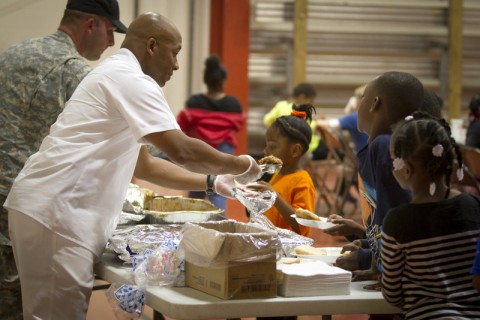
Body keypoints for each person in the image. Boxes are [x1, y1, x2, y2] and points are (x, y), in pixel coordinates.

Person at [4, 12, 261, 319]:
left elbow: (145, 165)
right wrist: (241, 165)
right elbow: (181, 150)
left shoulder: (115, 72)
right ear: (152, 46)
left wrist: (211, 182)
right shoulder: (131, 79)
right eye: (175, 53)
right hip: (58, 213)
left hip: (49, 209)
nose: (177, 65)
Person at [0, 0, 127, 318]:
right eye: (111, 32)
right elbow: (138, 146)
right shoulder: (75, 73)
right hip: (21, 207)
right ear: (91, 25)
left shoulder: (13, 53)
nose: (111, 43)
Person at [381, 111, 480, 319]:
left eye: (393, 161)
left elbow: (392, 294)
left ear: (406, 169)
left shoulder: (397, 221)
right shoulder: (473, 206)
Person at [177, 54, 245, 212]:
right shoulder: (233, 104)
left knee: (195, 188)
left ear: (206, 81)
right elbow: (238, 124)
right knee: (219, 191)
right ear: (223, 82)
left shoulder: (194, 102)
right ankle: (219, 228)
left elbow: (181, 124)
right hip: (223, 153)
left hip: (197, 152)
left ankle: (190, 227)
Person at [250, 104, 316, 237]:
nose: (266, 151)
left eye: (272, 146)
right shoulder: (276, 174)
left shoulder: (302, 181)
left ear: (295, 150)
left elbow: (302, 225)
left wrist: (274, 196)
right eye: (266, 145)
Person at [263, 83, 327, 160]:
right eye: (310, 101)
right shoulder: (299, 109)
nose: (311, 104)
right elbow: (307, 127)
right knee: (328, 150)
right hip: (308, 147)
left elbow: (267, 120)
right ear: (302, 97)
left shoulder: (281, 105)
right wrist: (318, 122)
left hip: (282, 145)